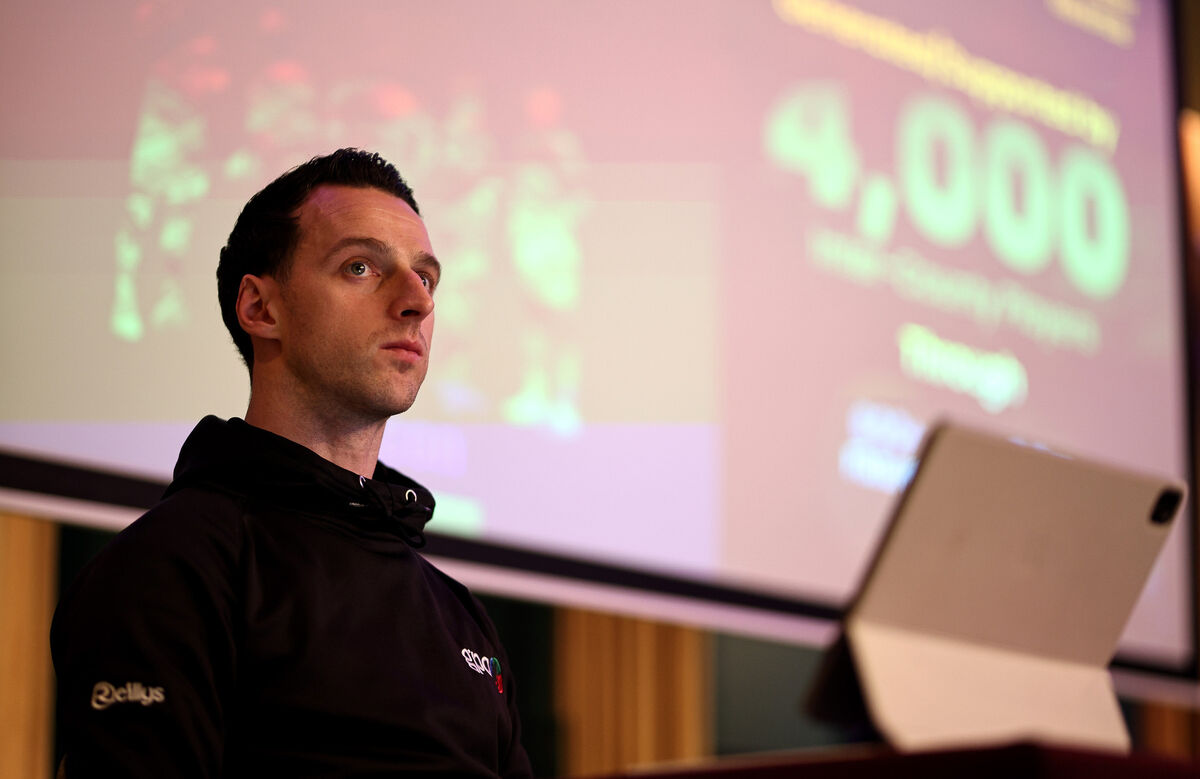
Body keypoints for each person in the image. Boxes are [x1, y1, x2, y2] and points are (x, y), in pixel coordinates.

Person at [51, 149, 534, 778]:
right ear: (261, 309)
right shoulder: (173, 566)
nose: (417, 300)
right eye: (360, 267)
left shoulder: (461, 618)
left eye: (426, 277)